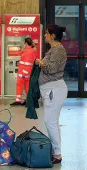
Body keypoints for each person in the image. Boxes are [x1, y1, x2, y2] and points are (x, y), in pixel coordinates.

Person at [35, 24, 67, 164]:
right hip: (51, 89)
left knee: (50, 121)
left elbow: (51, 69)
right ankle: (55, 151)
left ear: (52, 36)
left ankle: (57, 154)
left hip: (54, 89)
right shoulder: (53, 50)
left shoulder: (58, 50)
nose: (44, 35)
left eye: (46, 33)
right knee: (52, 121)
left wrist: (40, 63)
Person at [10, 38, 38, 106]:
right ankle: (28, 100)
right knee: (27, 86)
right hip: (29, 72)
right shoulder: (33, 50)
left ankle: (18, 100)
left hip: (23, 72)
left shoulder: (26, 51)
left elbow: (21, 56)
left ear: (25, 43)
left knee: (19, 85)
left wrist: (23, 72)